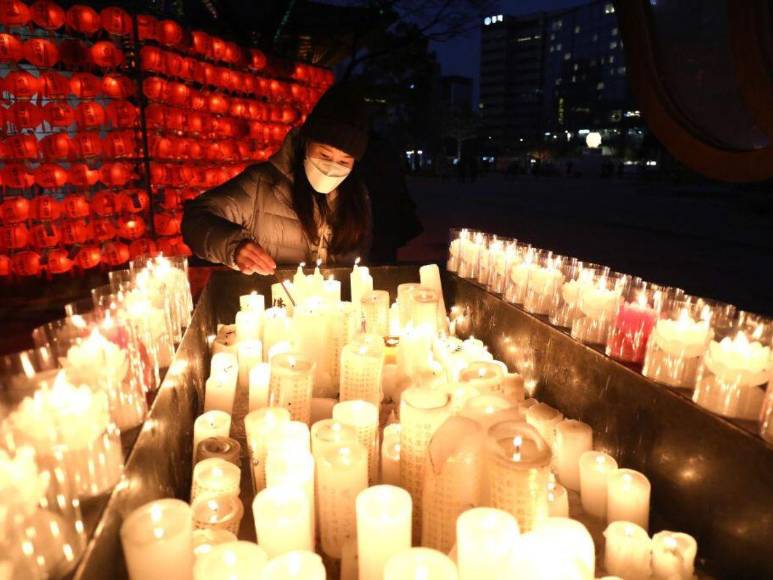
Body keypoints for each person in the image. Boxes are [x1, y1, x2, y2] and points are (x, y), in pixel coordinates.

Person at [182, 87, 372, 275]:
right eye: (324, 154)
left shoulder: (355, 198)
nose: (331, 167)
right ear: (306, 143)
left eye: (344, 161)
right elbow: (196, 219)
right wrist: (233, 246)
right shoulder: (260, 184)